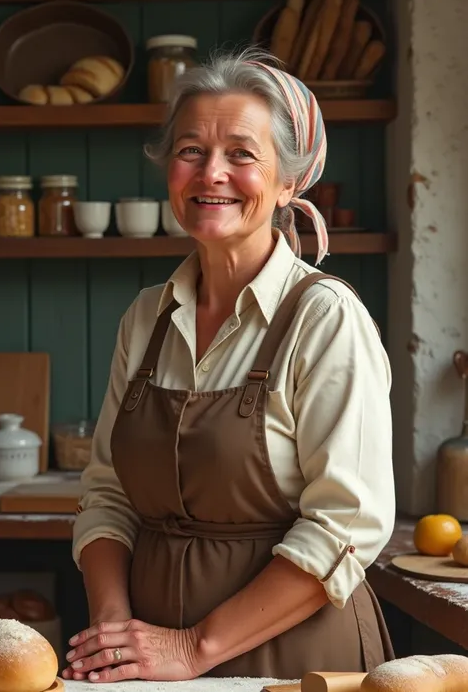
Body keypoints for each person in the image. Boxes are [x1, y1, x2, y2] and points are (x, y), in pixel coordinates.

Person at [63, 47, 395, 685]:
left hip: (294, 658)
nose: (210, 172)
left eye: (242, 153)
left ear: (290, 182)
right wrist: (115, 634)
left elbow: (346, 526)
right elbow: (106, 493)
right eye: (191, 150)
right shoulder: (146, 318)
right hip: (151, 653)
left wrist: (194, 649)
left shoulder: (323, 318)